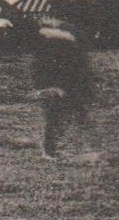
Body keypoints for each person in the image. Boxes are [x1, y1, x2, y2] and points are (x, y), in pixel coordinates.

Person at [30, 24, 96, 158]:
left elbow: (38, 72)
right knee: (62, 118)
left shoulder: (48, 53)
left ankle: (53, 150)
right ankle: (55, 150)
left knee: (57, 119)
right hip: (62, 89)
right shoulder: (72, 52)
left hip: (62, 89)